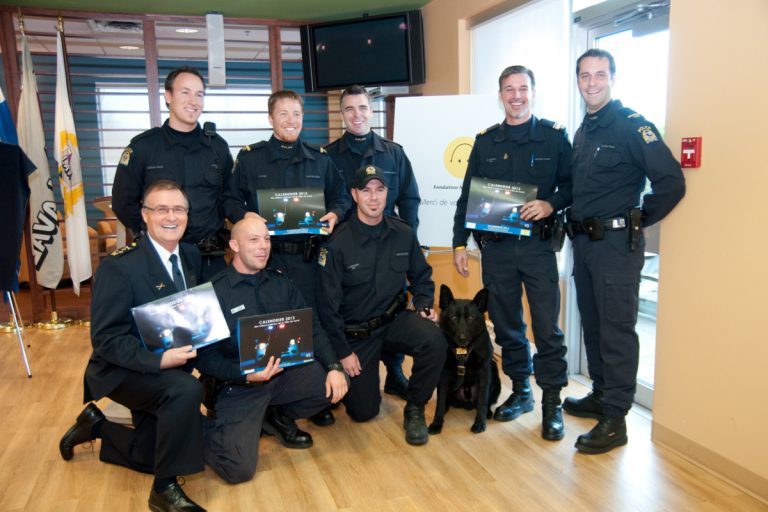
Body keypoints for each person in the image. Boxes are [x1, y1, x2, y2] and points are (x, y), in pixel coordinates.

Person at [564, 49, 685, 454]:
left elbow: (670, 182)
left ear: (612, 78)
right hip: (584, 245)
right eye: (585, 75)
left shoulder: (633, 126)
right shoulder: (585, 130)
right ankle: (601, 394)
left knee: (616, 329)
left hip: (615, 247)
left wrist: (636, 219)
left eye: (600, 74)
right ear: (578, 80)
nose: (592, 82)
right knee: (594, 326)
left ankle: (616, 418)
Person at [59, 180, 207, 512]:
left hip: (168, 363)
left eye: (179, 209)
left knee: (149, 456)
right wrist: (159, 362)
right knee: (184, 391)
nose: (171, 217)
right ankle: (164, 489)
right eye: (161, 209)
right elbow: (106, 339)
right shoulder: (119, 267)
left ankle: (97, 426)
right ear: (144, 215)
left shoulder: (191, 255)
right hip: (122, 369)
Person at [452, 65, 572, 441]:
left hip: (537, 248)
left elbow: (572, 185)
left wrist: (551, 204)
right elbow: (468, 196)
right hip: (498, 251)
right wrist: (459, 241)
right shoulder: (486, 142)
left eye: (523, 89)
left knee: (547, 328)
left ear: (533, 93)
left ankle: (551, 401)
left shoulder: (554, 137)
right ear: (500, 95)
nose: (516, 95)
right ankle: (521, 391)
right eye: (509, 89)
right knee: (506, 326)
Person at [195, 217, 348, 484]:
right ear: (234, 245)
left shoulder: (281, 283)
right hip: (238, 385)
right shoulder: (214, 293)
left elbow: (312, 328)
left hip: (282, 376)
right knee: (238, 470)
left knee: (335, 382)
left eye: (266, 239)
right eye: (254, 240)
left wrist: (335, 367)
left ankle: (274, 416)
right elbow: (205, 359)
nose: (263, 246)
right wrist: (243, 375)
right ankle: (199, 429)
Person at [317, 165, 446, 446]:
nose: (373, 198)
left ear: (388, 194)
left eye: (380, 190)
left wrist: (424, 303)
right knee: (364, 412)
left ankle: (415, 408)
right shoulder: (336, 244)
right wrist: (343, 352)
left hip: (393, 322)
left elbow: (422, 277)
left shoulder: (403, 233)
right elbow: (327, 308)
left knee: (434, 339)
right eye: (366, 191)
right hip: (357, 334)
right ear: (354, 195)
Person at [325, 85, 422, 401]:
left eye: (363, 108)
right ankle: (342, 367)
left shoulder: (393, 153)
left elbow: (408, 198)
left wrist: (408, 241)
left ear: (372, 110)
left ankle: (394, 373)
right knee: (350, 310)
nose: (357, 115)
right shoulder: (328, 157)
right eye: (350, 109)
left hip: (387, 243)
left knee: (391, 306)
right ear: (342, 114)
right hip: (346, 249)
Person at [224, 90, 351, 311]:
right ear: (270, 118)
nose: (291, 120)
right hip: (265, 260)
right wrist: (244, 216)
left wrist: (336, 213)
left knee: (309, 322)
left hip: (309, 261)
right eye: (283, 113)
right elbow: (229, 200)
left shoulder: (319, 159)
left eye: (296, 114)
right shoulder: (250, 159)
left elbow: (342, 196)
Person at [112, 66, 234, 281]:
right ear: (168, 97)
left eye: (199, 95)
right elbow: (123, 202)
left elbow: (228, 198)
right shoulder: (144, 148)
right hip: (161, 258)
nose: (193, 101)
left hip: (210, 260)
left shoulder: (217, 148)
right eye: (185, 92)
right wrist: (154, 233)